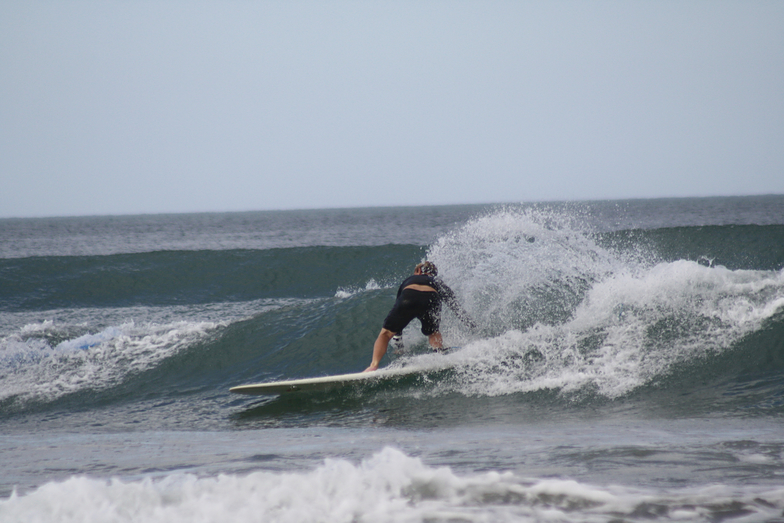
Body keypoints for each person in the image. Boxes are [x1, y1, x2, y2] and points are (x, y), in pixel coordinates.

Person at [364, 261, 476, 372]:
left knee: (386, 333)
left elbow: (398, 312)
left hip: (409, 297)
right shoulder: (437, 281)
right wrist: (471, 325)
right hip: (431, 299)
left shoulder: (409, 280)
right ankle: (440, 355)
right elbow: (456, 307)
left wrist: (399, 347)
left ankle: (373, 365)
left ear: (418, 271)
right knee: (433, 332)